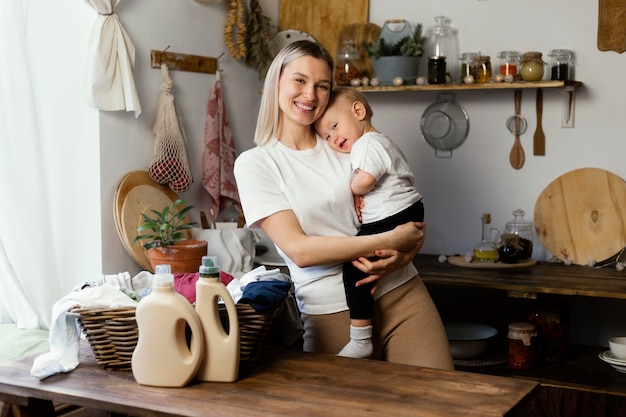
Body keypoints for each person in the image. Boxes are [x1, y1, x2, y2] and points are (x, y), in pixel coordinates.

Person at [234, 40, 453, 370]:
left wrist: (407, 250)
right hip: (334, 312)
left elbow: (398, 206)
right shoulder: (256, 164)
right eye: (299, 80)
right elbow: (300, 251)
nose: (310, 94)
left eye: (322, 85)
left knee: (444, 404)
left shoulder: (345, 141)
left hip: (402, 292)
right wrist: (389, 241)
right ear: (275, 81)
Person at [313, 87, 425, 358]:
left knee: (354, 268)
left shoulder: (367, 144)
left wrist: (351, 189)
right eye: (327, 136)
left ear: (358, 111)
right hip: (406, 213)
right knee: (372, 261)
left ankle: (361, 338)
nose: (333, 138)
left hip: (395, 215)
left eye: (335, 127)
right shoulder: (376, 142)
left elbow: (364, 181)